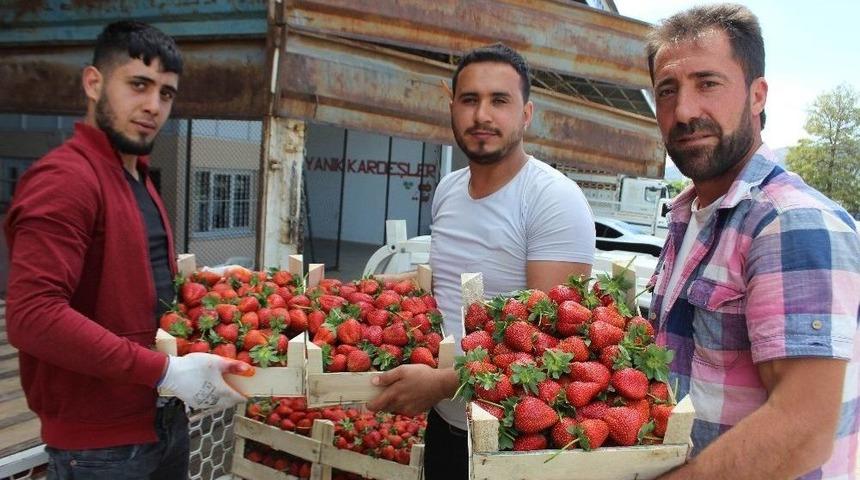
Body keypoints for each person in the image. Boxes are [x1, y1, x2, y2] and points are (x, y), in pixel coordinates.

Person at [4, 21, 247, 480]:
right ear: (93, 83)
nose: (153, 106)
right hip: (100, 446)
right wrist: (164, 372)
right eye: (139, 85)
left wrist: (206, 286)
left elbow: (126, 280)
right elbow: (32, 315)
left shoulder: (136, 175)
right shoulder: (66, 179)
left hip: (160, 421)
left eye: (167, 94)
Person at [644, 5, 860, 479]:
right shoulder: (691, 215)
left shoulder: (790, 222)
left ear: (757, 94)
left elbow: (802, 429)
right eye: (667, 90)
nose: (684, 112)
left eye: (708, 83)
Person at [367, 43, 596, 479]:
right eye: (470, 100)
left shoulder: (552, 199)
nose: (482, 116)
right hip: (447, 426)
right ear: (452, 107)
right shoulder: (449, 190)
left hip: (517, 441)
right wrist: (389, 293)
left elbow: (550, 346)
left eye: (499, 101)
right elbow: (448, 295)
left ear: (526, 114)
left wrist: (440, 382)